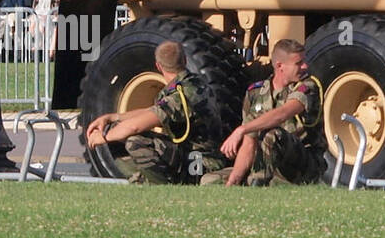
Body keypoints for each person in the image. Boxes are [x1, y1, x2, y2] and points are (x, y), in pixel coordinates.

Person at [84, 41, 226, 184]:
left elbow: (135, 127)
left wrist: (104, 137)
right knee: (117, 128)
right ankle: (144, 179)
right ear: (184, 60)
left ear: (158, 66)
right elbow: (152, 111)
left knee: (135, 141)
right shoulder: (195, 83)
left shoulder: (180, 95)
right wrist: (113, 117)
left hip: (199, 164)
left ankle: (161, 185)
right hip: (196, 158)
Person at [213, 39, 324, 186]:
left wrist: (242, 129)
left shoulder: (307, 86)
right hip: (263, 163)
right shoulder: (255, 92)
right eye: (298, 63)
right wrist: (234, 179)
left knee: (273, 135)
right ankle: (255, 181)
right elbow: (249, 140)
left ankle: (257, 186)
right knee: (210, 180)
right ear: (280, 66)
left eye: (304, 61)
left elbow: (283, 113)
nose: (305, 66)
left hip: (301, 164)